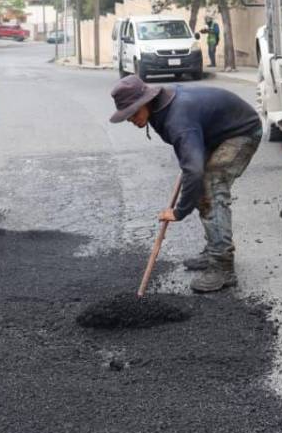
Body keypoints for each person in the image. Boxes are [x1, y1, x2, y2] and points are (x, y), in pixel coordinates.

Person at [110, 75, 262, 293]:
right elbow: (189, 154)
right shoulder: (159, 108)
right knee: (199, 184)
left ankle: (222, 267)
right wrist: (191, 161)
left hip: (242, 132)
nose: (131, 119)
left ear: (145, 102)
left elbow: (193, 169)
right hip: (214, 134)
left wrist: (179, 211)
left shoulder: (177, 118)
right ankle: (214, 250)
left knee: (210, 186)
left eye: (133, 112)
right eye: (127, 116)